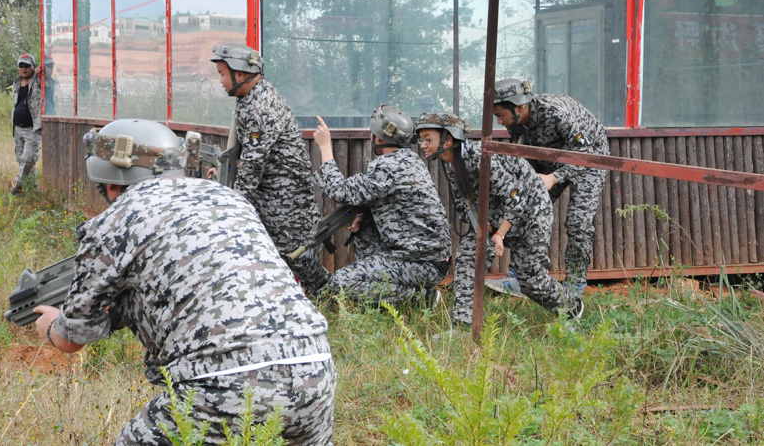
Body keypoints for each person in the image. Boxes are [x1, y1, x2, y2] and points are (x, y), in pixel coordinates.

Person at [33, 119, 336, 446]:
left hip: (224, 385)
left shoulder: (114, 220)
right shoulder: (230, 200)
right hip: (315, 373)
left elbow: (71, 339)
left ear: (110, 183)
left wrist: (52, 325)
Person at [415, 111, 583, 325]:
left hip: (532, 213)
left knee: (531, 280)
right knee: (468, 256)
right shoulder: (449, 162)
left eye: (428, 139)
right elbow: (463, 201)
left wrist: (500, 234)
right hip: (496, 214)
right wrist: (478, 222)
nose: (423, 144)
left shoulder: (479, 156)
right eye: (421, 139)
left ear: (448, 139)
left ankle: (573, 308)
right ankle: (463, 326)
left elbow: (516, 197)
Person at [209, 43, 330, 295]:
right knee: (270, 252)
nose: (220, 81)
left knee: (295, 254)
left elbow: (252, 166)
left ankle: (331, 297)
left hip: (285, 197)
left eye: (222, 74)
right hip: (269, 192)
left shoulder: (260, 106)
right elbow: (246, 155)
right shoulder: (247, 99)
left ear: (240, 74)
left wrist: (229, 203)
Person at [312, 105, 452, 305]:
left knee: (341, 282)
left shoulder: (387, 166)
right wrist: (366, 216)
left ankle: (421, 299)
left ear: (378, 138)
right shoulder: (411, 160)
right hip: (429, 259)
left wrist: (325, 146)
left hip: (421, 264)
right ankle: (383, 290)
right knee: (364, 228)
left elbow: (339, 191)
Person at [493, 79, 609, 297]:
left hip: (590, 158)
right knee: (526, 210)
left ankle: (573, 288)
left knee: (578, 222)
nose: (499, 121)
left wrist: (555, 178)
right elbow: (526, 159)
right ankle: (519, 277)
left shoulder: (556, 113)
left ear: (518, 107)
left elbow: (585, 153)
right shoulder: (515, 123)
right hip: (550, 158)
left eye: (500, 115)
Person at [10, 53, 42, 194]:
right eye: (21, 66)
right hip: (17, 128)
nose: (23, 69)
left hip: (32, 129)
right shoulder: (16, 83)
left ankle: (17, 186)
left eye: (26, 66)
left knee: (29, 159)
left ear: (33, 67)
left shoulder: (38, 81)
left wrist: (41, 73)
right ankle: (33, 189)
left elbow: (50, 78)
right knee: (21, 159)